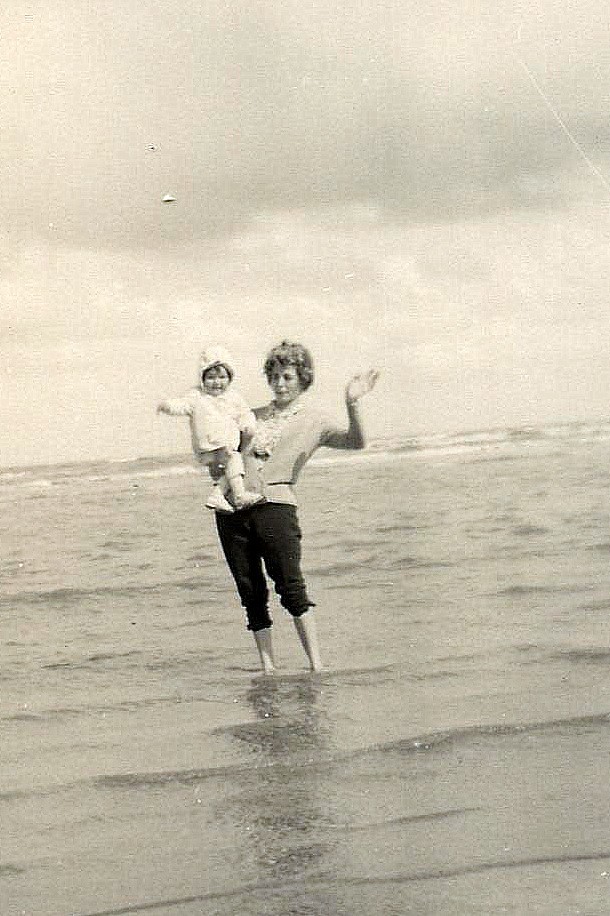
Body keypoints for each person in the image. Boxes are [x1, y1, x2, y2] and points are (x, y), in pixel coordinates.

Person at [211, 340, 379, 674]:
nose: (279, 383)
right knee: (250, 592)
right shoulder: (249, 416)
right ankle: (268, 669)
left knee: (291, 588)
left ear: (303, 379)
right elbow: (223, 456)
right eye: (274, 376)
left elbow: (356, 442)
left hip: (277, 508)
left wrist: (352, 402)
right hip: (232, 511)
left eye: (287, 377)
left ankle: (317, 666)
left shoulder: (315, 420)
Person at [156, 346, 264, 512]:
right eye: (211, 377)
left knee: (232, 466)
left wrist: (248, 426)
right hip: (208, 447)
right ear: (202, 378)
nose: (217, 382)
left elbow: (244, 413)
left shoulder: (233, 397)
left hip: (224, 447)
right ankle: (239, 495)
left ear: (230, 378)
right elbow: (182, 405)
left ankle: (217, 495)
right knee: (234, 460)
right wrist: (167, 406)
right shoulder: (196, 396)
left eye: (222, 377)